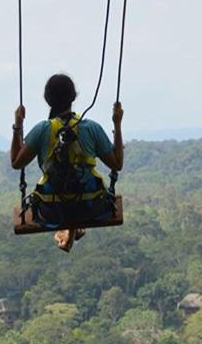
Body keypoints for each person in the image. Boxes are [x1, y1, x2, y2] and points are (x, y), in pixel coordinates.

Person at [10, 73, 124, 251]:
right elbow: (117, 164)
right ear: (73, 97)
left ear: (48, 100)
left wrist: (17, 125)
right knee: (79, 201)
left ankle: (69, 228)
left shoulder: (42, 130)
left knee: (63, 203)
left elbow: (16, 162)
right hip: (91, 207)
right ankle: (73, 227)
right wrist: (117, 124)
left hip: (51, 211)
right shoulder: (91, 128)